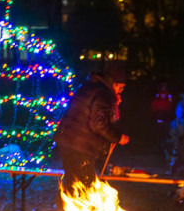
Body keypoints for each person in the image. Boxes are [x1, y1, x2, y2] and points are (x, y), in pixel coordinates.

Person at [53, 64, 130, 193]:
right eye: (121, 88)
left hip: (68, 140)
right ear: (114, 84)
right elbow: (99, 124)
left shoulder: (90, 86)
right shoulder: (103, 93)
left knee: (73, 182)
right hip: (80, 144)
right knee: (82, 185)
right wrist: (117, 137)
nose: (120, 91)